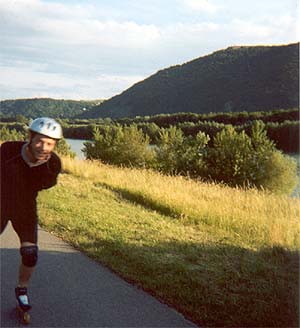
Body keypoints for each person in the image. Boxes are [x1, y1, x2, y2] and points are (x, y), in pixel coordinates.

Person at [1, 117, 63, 312]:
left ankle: (22, 290)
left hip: (25, 209)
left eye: (49, 143)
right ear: (29, 137)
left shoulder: (53, 164)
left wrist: (38, 167)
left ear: (55, 145)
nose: (43, 147)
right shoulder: (9, 149)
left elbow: (43, 185)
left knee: (30, 254)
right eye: (39, 141)